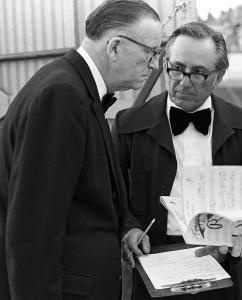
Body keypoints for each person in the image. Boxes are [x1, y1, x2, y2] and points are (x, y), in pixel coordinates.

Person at [0, 0, 162, 299]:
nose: (154, 64)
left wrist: (122, 229)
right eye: (151, 52)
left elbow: (85, 196)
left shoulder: (71, 86)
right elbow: (33, 232)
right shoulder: (62, 95)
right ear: (115, 47)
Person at [112, 22, 242, 300]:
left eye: (198, 73)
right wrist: (129, 228)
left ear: (219, 76)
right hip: (154, 266)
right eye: (176, 68)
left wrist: (239, 237)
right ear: (165, 63)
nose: (183, 80)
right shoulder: (128, 125)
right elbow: (113, 194)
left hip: (224, 267)